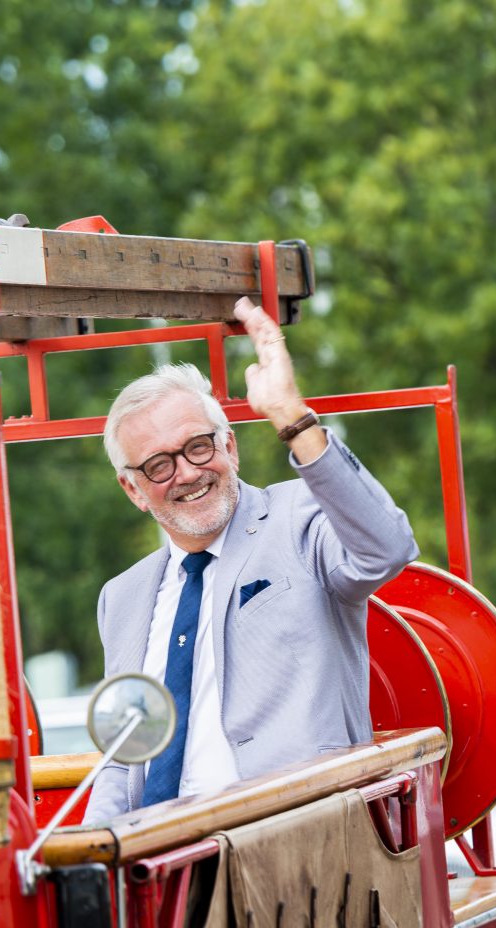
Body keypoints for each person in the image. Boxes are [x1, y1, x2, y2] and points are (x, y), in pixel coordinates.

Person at [84, 298, 418, 821]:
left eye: (198, 446)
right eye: (158, 464)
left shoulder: (301, 518)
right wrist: (94, 859)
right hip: (162, 864)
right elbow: (125, 754)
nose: (189, 473)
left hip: (305, 840)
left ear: (231, 447)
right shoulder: (120, 598)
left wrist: (290, 415)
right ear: (133, 489)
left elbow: (386, 549)